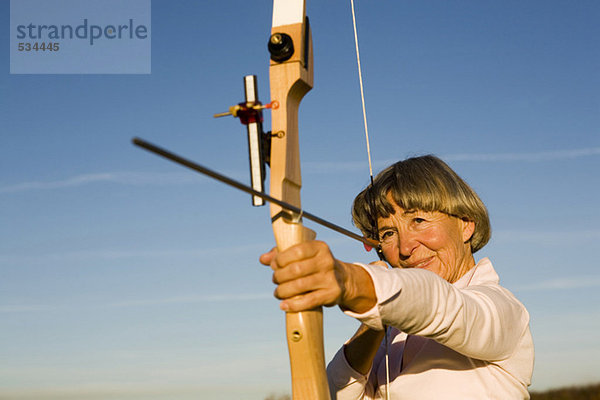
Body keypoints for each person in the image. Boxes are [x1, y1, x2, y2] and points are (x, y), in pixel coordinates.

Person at [260, 155, 534, 399]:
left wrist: (353, 282)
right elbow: (331, 393)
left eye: (419, 221)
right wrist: (374, 320)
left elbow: (444, 305)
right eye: (388, 233)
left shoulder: (502, 311)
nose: (405, 248)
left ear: (465, 225)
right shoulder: (393, 334)